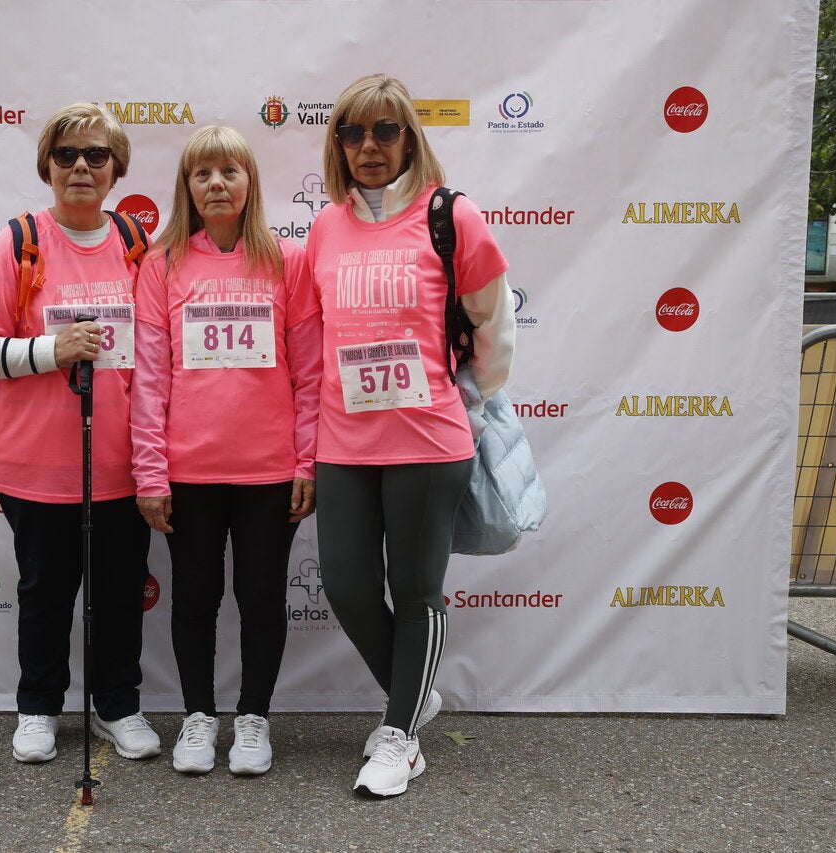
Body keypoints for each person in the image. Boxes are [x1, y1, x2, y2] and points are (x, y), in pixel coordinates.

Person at [306, 74, 515, 797]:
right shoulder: (325, 227)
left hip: (428, 441)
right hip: (343, 440)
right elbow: (315, 335)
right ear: (338, 144)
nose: (368, 146)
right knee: (346, 585)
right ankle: (414, 695)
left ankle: (401, 737)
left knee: (417, 588)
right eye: (353, 132)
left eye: (384, 131)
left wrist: (470, 399)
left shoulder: (451, 216)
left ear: (409, 138)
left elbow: (493, 325)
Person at [0, 103, 160, 765]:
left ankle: (117, 706)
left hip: (120, 465)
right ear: (47, 165)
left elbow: (156, 356)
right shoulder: (19, 241)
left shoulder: (135, 242)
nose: (80, 166)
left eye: (96, 155)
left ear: (116, 169)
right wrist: (51, 350)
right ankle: (39, 706)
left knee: (119, 595)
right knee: (44, 594)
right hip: (36, 466)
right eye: (66, 154)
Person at [131, 126, 322, 776]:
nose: (216, 183)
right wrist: (151, 472)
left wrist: (306, 462)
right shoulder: (161, 266)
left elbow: (310, 373)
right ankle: (197, 716)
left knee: (261, 596)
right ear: (186, 186)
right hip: (189, 471)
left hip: (269, 472)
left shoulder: (288, 261)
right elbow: (150, 379)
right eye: (202, 173)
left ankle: (253, 718)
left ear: (249, 182)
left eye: (229, 171)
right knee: (195, 597)